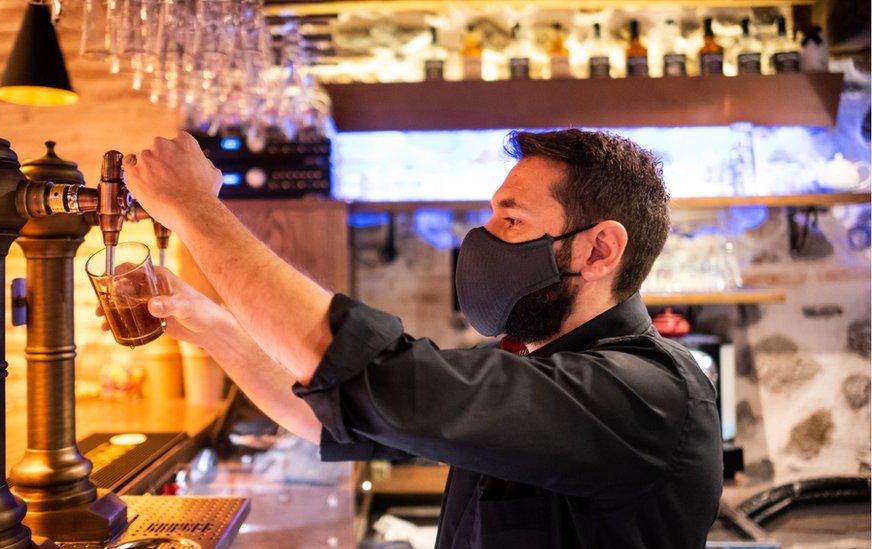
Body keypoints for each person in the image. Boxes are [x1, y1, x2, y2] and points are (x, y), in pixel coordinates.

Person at [102, 129, 723, 548]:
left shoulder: (645, 392)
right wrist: (206, 323)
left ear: (599, 249)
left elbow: (379, 379)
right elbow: (332, 414)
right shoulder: (529, 366)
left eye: (511, 218)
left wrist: (194, 210)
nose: (483, 238)